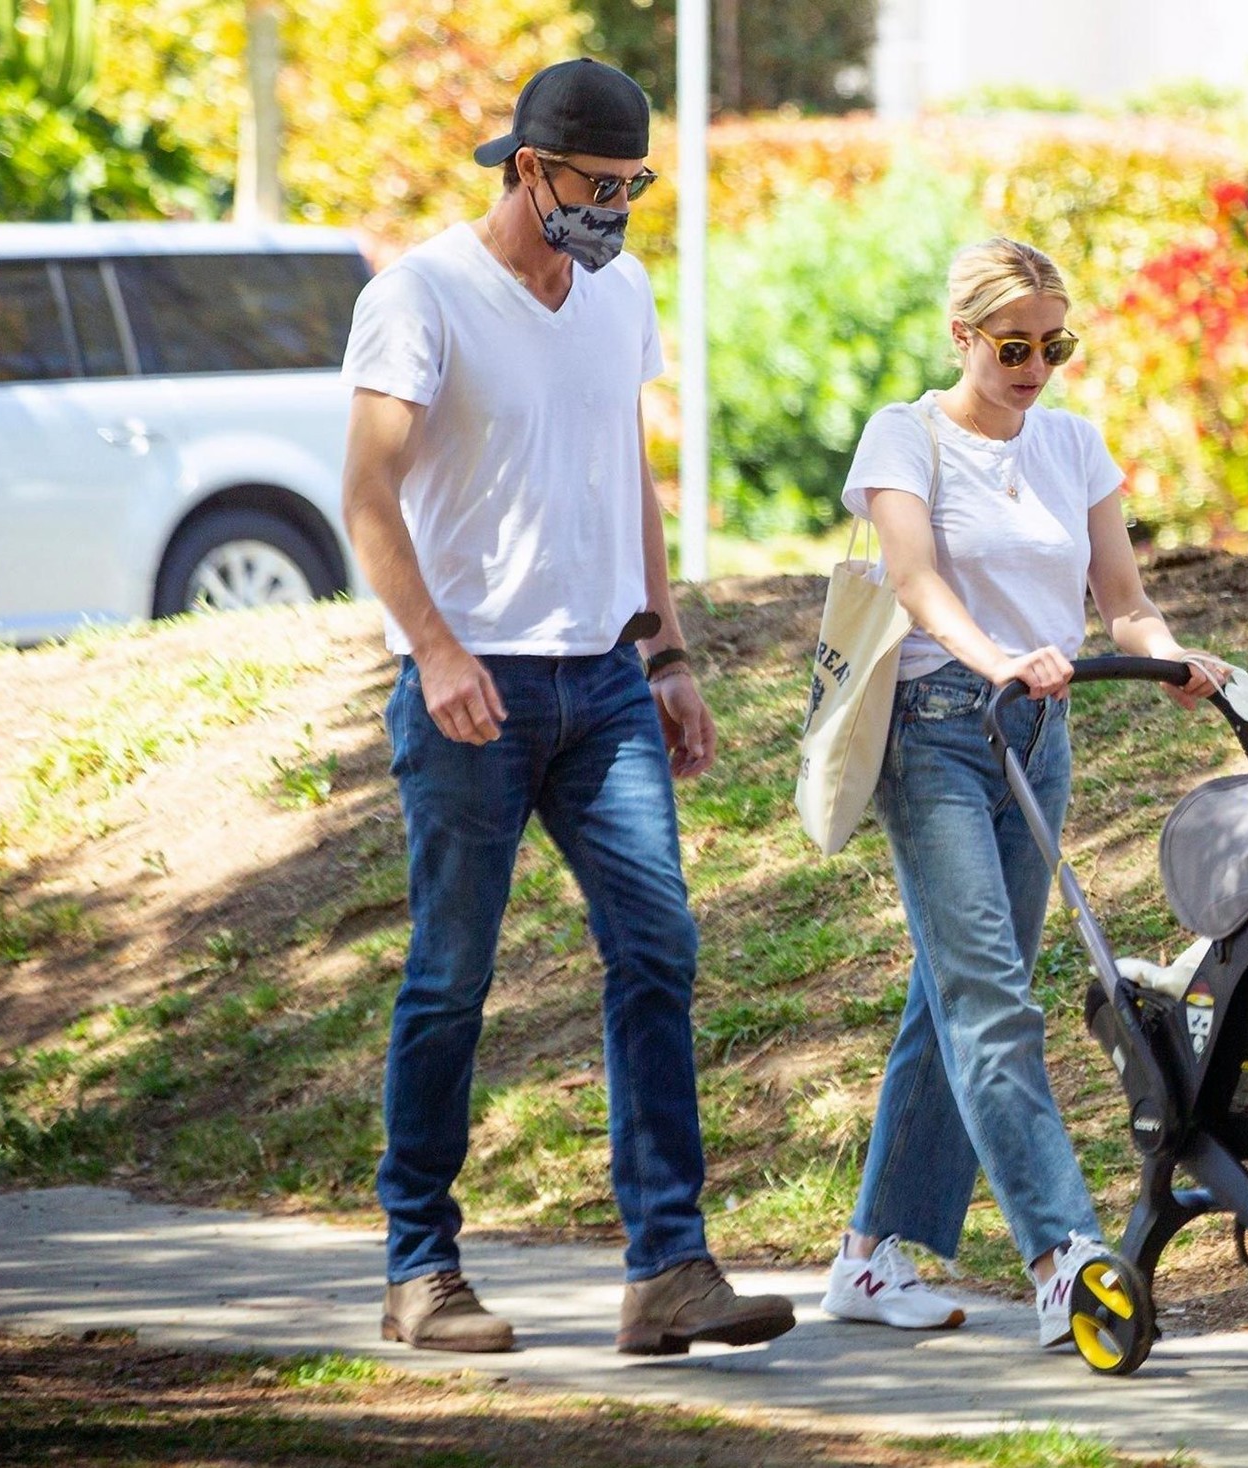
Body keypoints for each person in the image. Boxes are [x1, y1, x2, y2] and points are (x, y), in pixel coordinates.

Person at [339, 58, 794, 1357]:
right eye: (598, 186)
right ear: (528, 168)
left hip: (602, 681)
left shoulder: (619, 293)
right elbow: (366, 496)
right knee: (451, 978)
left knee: (659, 948)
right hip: (470, 688)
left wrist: (668, 652)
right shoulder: (420, 296)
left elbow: (626, 471)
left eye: (633, 187)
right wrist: (435, 652)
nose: (616, 211)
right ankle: (419, 1270)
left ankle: (669, 1269)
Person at [819, 238, 1226, 1345]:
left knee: (951, 994)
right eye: (1013, 347)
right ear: (963, 337)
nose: (1037, 367)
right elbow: (914, 581)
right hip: (935, 731)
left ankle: (865, 1259)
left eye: (1056, 345)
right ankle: (1063, 1257)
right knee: (991, 1001)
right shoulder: (905, 436)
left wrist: (1174, 658)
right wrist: (997, 657)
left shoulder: (1074, 444)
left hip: (1039, 736)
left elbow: (1124, 601)